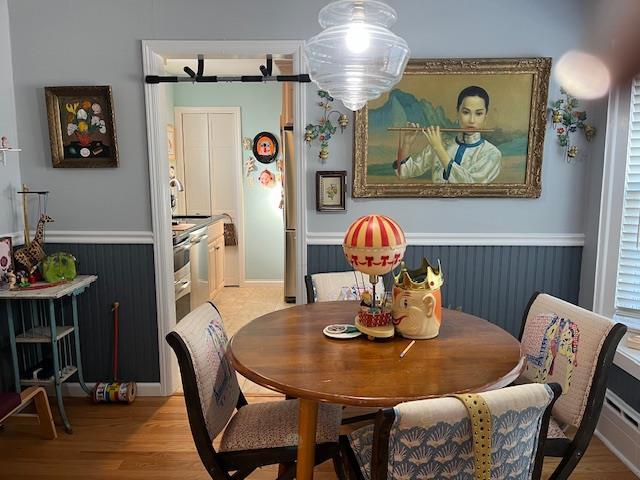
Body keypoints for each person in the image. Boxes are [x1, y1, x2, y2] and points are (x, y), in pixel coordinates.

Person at [393, 85, 502, 183]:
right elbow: (404, 173)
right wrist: (407, 144)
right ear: (458, 113)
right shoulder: (442, 143)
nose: (472, 120)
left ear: (485, 117)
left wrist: (438, 148)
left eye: (478, 113)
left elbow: (468, 183)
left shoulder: (492, 154)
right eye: (465, 112)